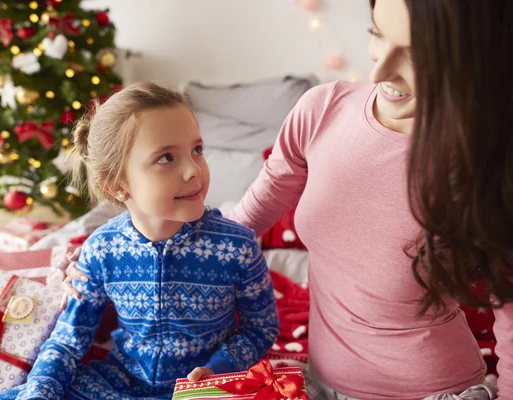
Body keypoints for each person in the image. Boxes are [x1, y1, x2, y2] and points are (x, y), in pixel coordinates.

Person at [62, 0, 513, 399]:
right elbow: (239, 225)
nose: (378, 72)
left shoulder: (487, 166)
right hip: (316, 383)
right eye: (378, 34)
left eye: (417, 55)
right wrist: (104, 259)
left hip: (432, 389)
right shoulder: (322, 111)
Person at [0, 82, 279, 400]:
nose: (193, 170)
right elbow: (68, 340)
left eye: (197, 150)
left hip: (200, 389)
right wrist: (40, 391)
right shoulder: (101, 249)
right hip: (119, 380)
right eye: (167, 157)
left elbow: (261, 328)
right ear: (117, 185)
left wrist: (219, 369)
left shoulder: (237, 246)